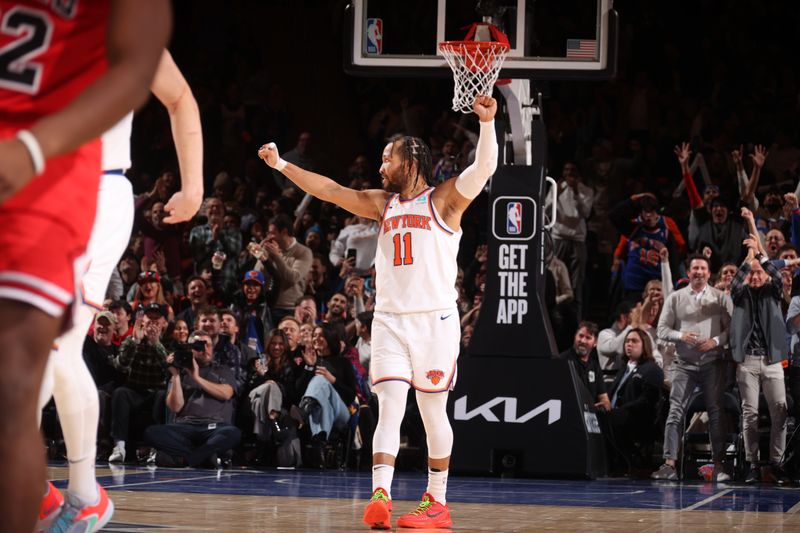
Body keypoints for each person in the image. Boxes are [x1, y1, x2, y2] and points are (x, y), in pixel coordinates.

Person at [258, 94, 498, 529]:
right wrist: (282, 166)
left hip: (435, 321)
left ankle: (437, 503)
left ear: (412, 160)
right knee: (388, 408)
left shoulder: (444, 200)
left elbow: (483, 169)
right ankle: (381, 496)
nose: (381, 164)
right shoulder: (381, 203)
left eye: (388, 157)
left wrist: (486, 124)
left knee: (431, 413)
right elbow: (330, 190)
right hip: (387, 320)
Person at [0, 2, 170, 530]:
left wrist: (193, 189)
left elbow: (161, 86)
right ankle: (65, 494)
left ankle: (71, 494)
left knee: (31, 365)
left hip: (75, 180)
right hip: (31, 167)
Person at [36, 47, 203, 531]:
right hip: (34, 190)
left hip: (90, 192)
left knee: (38, 346)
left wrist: (193, 188)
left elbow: (178, 97)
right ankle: (75, 492)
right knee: (57, 352)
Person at [653, 254, 733, 482]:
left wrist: (715, 341)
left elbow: (732, 328)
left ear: (709, 273)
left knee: (716, 412)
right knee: (675, 410)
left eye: (703, 268)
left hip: (712, 363)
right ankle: (669, 464)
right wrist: (681, 335)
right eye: (694, 268)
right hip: (683, 364)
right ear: (688, 273)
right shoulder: (676, 298)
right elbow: (661, 330)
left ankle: (718, 465)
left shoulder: (720, 298)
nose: (698, 272)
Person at [730, 228, 790, 484]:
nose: (755, 275)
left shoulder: (773, 291)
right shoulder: (739, 294)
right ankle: (752, 464)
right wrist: (750, 256)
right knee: (750, 413)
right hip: (748, 362)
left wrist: (761, 257)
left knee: (780, 409)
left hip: (772, 360)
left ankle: (777, 463)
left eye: (758, 272)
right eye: (752, 272)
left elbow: (777, 275)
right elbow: (735, 282)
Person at [145, 330, 241, 467]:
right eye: (198, 345)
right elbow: (175, 407)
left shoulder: (222, 370)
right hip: (184, 427)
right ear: (190, 349)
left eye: (207, 344)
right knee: (152, 432)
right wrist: (176, 374)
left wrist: (196, 377)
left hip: (214, 427)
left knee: (233, 433)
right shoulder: (180, 373)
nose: (204, 349)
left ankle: (185, 459)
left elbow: (226, 393)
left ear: (212, 348)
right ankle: (203, 457)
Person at [557, 322, 611, 411]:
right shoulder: (562, 360)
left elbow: (604, 398)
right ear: (575, 336)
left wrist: (604, 406)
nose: (583, 341)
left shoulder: (595, 366)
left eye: (588, 338)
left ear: (595, 343)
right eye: (581, 336)